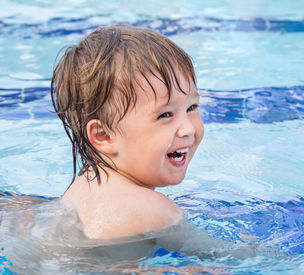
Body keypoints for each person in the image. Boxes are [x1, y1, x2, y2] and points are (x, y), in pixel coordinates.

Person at [50, 24, 204, 239]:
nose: (187, 129)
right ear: (103, 136)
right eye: (165, 115)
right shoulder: (155, 212)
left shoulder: (79, 191)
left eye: (191, 108)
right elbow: (220, 267)